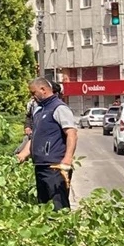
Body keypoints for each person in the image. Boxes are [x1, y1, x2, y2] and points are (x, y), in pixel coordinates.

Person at [16, 77, 78, 210]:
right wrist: (23, 154)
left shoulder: (59, 108)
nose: (33, 97)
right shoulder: (39, 110)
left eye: (34, 93)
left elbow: (71, 134)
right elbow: (35, 138)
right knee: (44, 207)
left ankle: (64, 231)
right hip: (41, 166)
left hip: (55, 166)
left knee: (58, 207)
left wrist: (67, 159)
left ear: (43, 90)